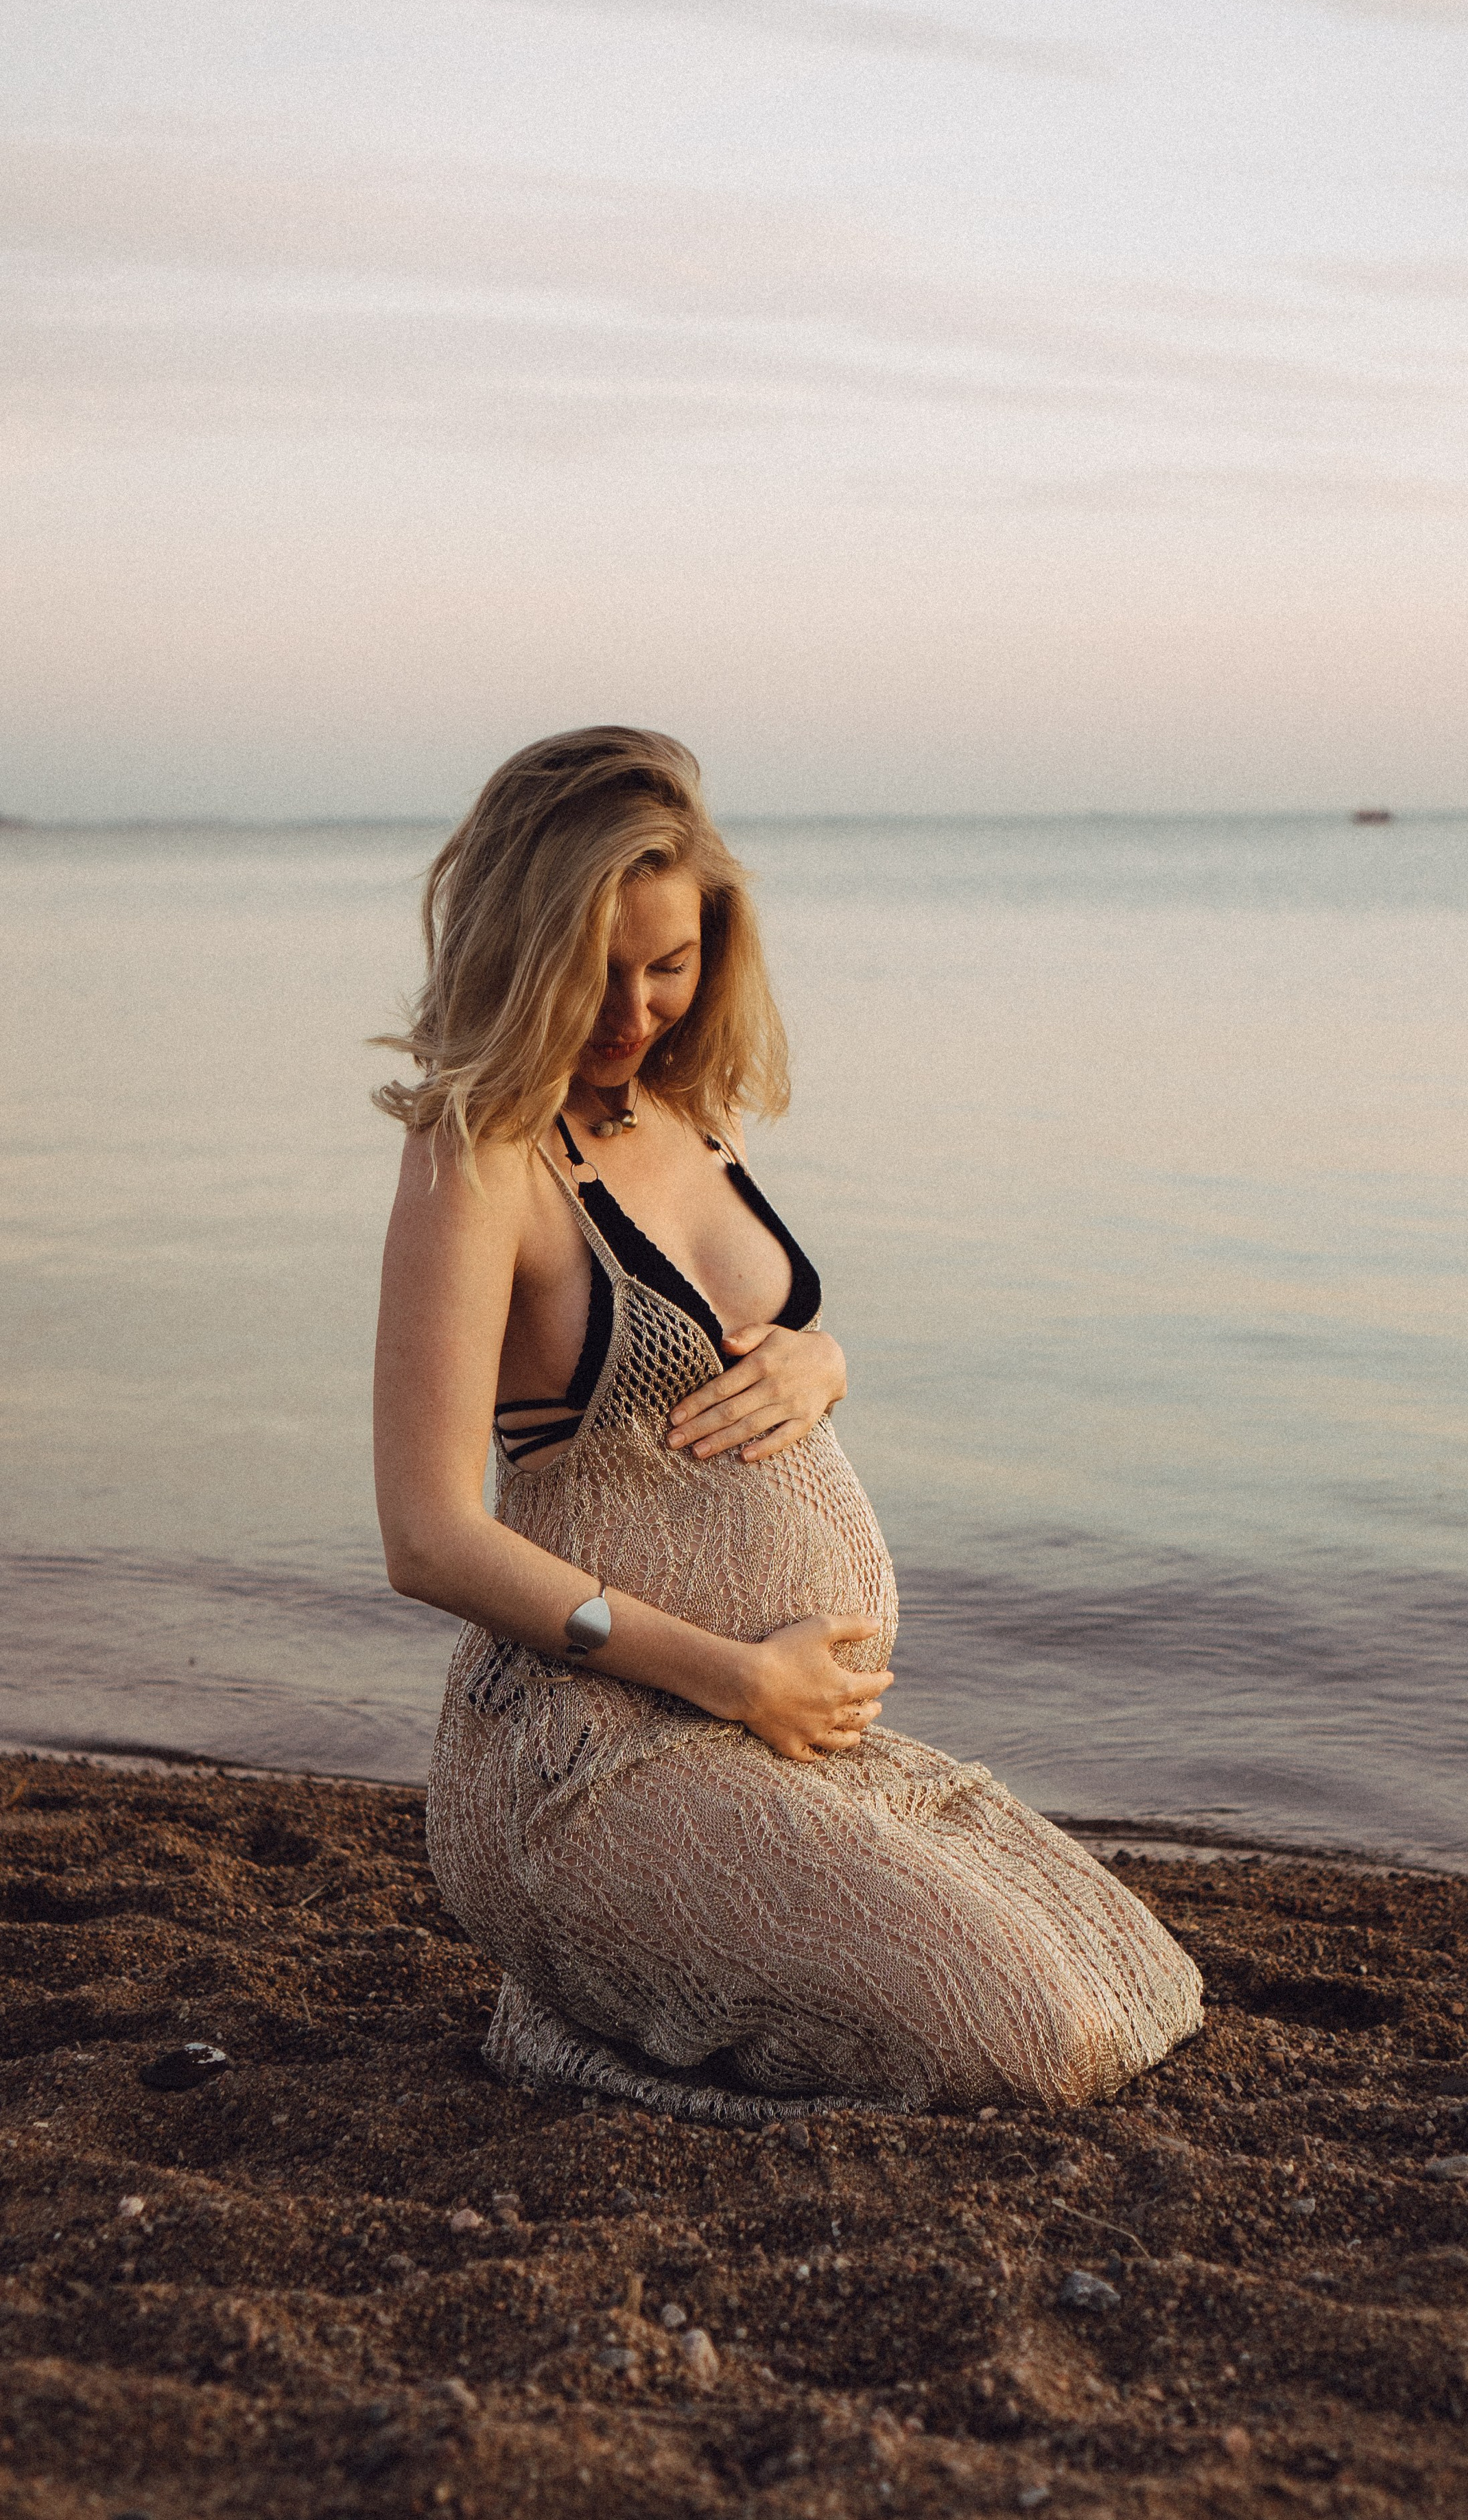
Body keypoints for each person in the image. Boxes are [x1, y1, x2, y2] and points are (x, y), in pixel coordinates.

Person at [372, 725, 1203, 2120]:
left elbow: (733, 1343)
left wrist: (823, 1362)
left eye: (670, 962)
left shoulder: (691, 1114)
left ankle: (645, 1982)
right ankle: (565, 2032)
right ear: (522, 947)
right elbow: (428, 1539)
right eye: (596, 968)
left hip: (772, 1744)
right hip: (590, 1761)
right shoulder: (481, 1155)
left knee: (1142, 1986)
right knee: (1029, 2049)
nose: (634, 1007)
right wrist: (734, 1676)